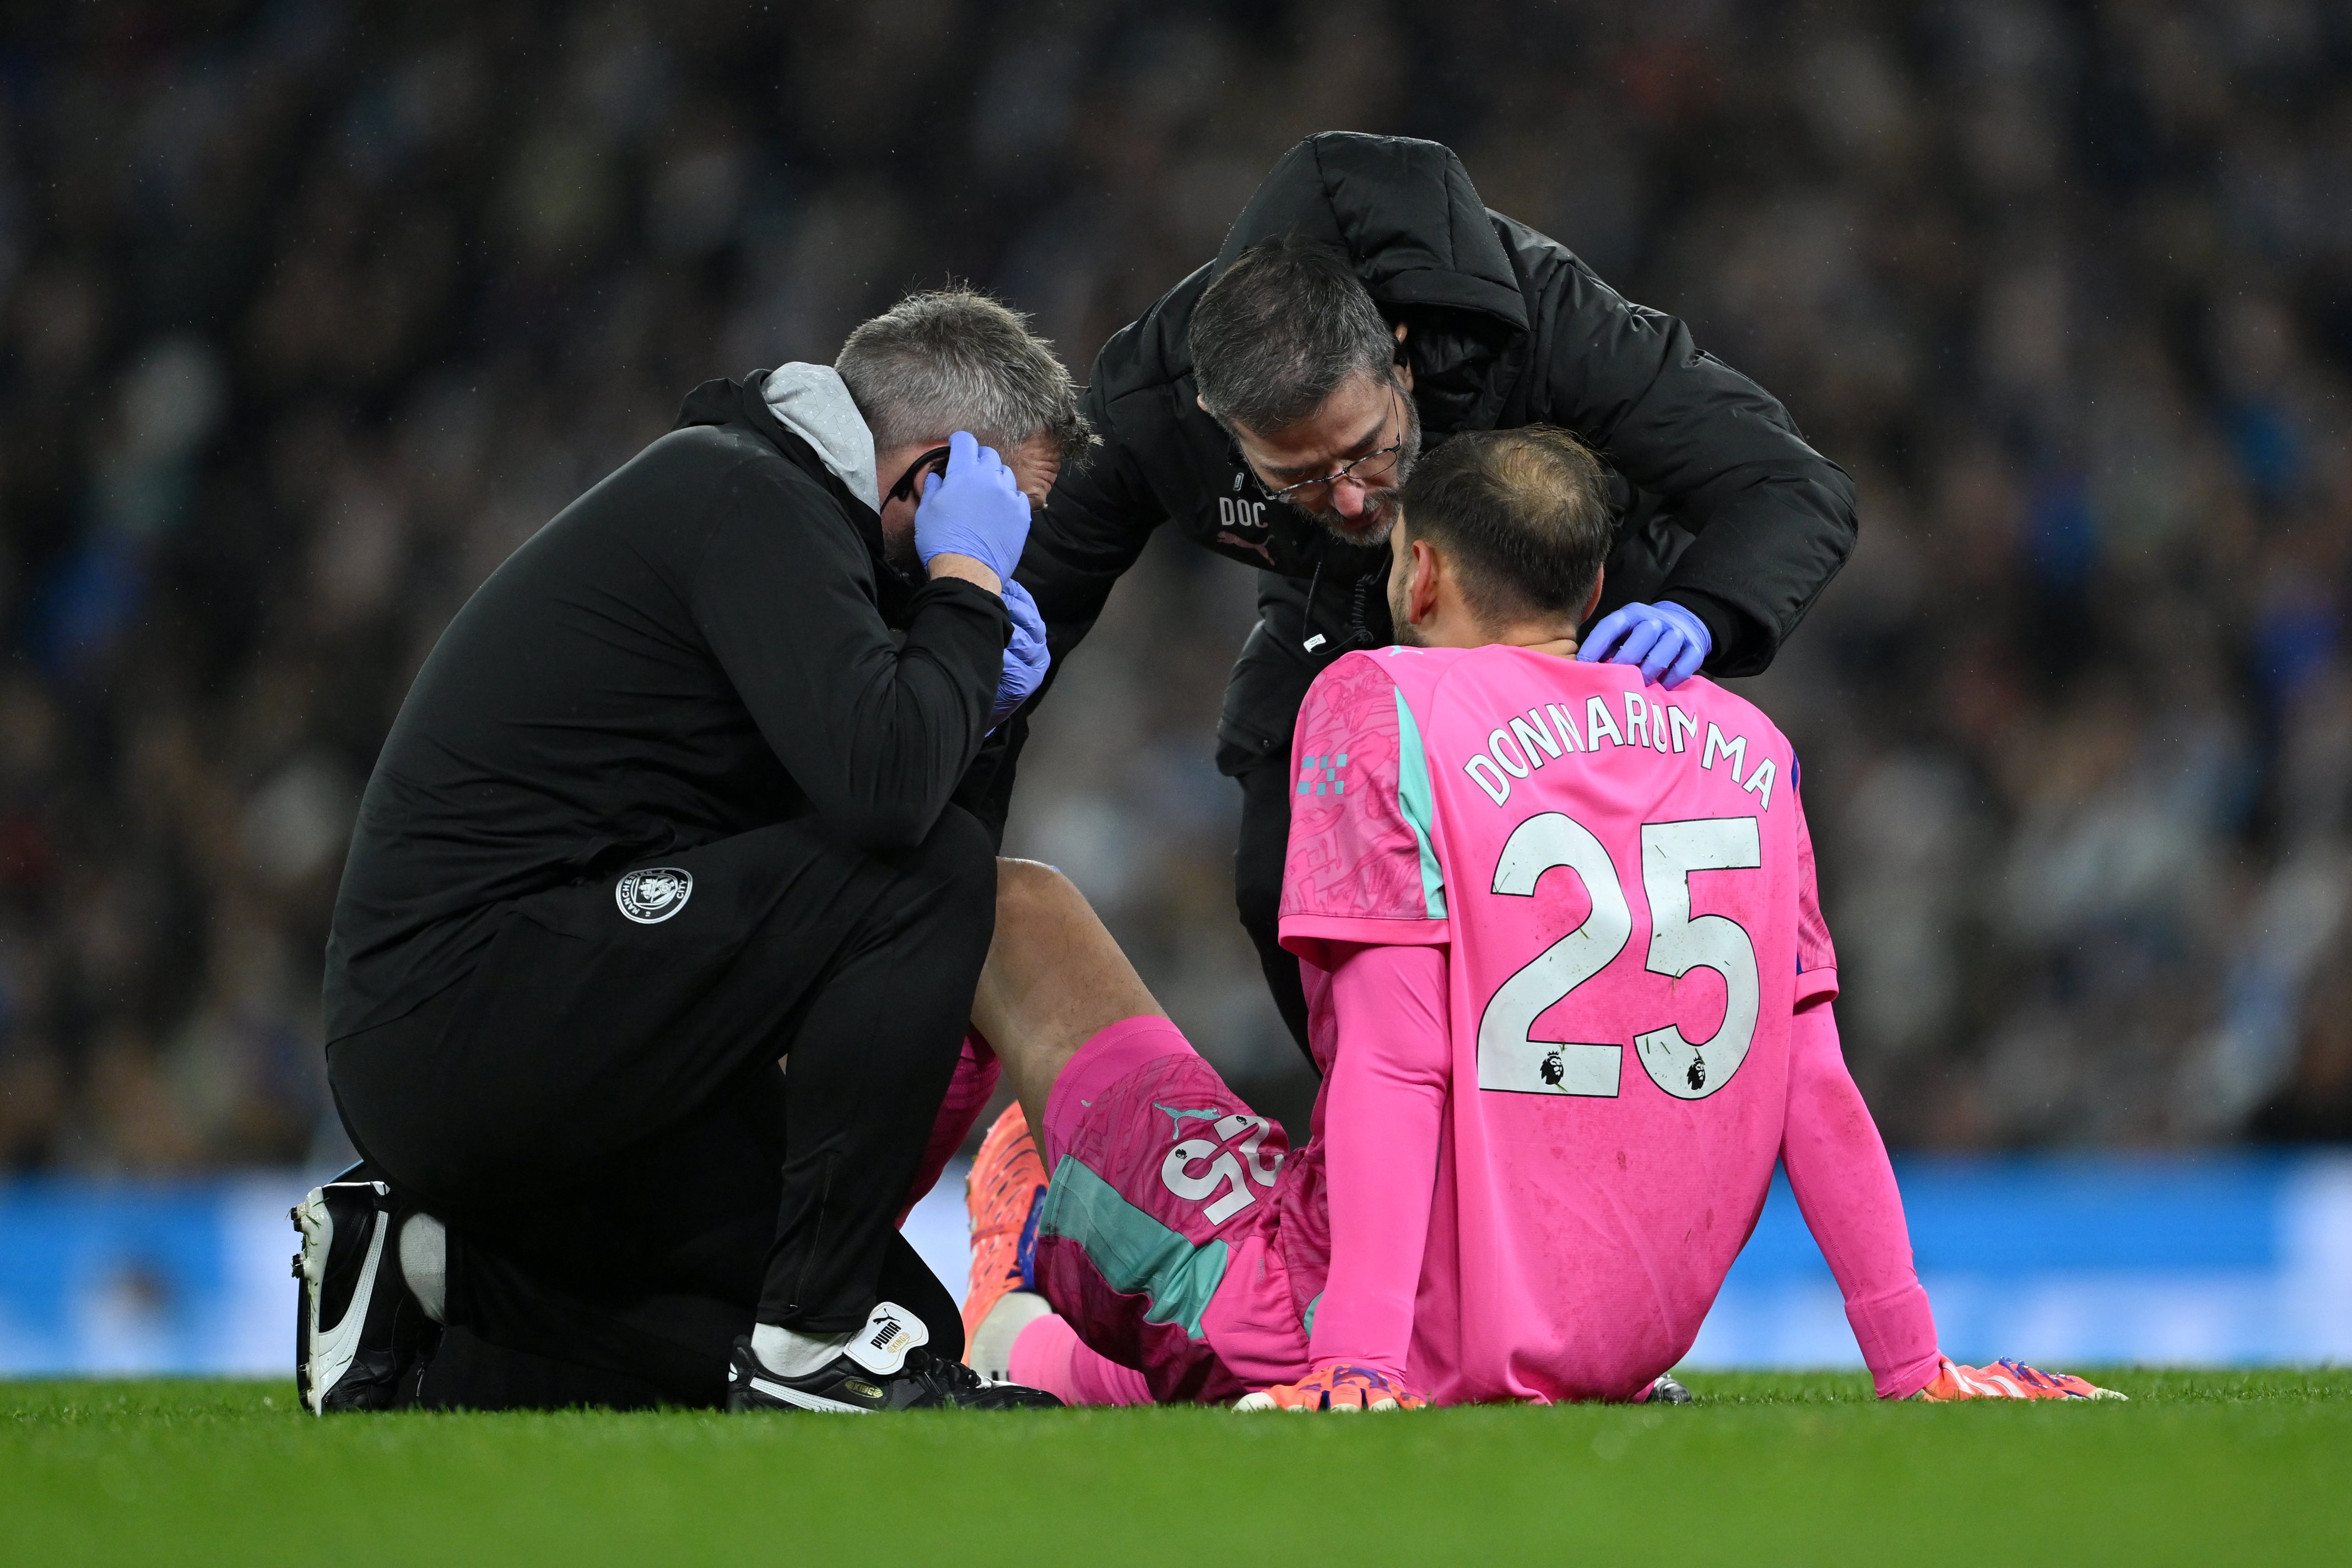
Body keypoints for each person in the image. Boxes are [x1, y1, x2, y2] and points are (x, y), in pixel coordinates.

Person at [956, 428, 2119, 1408]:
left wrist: (1359, 1361)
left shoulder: (1379, 701)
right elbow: (1811, 1085)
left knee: (1010, 903)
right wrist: (1912, 1367)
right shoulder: (1751, 749)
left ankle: (971, 1313)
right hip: (1608, 1348)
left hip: (1349, 1308)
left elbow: (1397, 1056)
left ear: (1417, 574)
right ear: (1595, 590)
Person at [295, 289, 1088, 1414]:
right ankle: (807, 1352)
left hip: (565, 1026)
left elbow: (881, 866)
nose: (1011, 554)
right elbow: (895, 818)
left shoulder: (801, 535)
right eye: (1009, 509)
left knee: (905, 1323)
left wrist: (984, 711)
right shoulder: (745, 496)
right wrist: (962, 593)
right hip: (464, 1008)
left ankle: (421, 1274)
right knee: (925, 874)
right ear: (933, 473)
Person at [980, 131, 1860, 1056]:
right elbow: (1031, 606)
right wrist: (955, 761)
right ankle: (1367, 1132)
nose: (1353, 496)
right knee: (1280, 885)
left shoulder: (1543, 319)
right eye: (1299, 476)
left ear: (1400, 354)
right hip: (1337, 613)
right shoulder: (1151, 402)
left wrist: (1700, 611)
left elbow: (1795, 486)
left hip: (1571, 623)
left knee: (1539, 892)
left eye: (1366, 447)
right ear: (1218, 420)